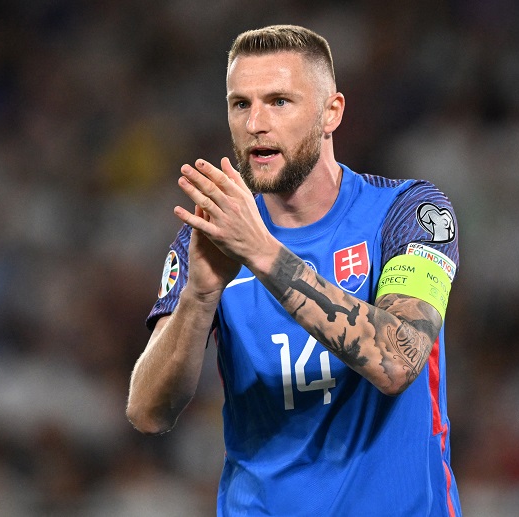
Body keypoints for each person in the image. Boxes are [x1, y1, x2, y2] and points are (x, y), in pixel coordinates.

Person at [127, 24, 462, 516]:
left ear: (332, 113)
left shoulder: (410, 213)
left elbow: (398, 362)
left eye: (279, 101)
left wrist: (264, 254)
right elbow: (148, 412)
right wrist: (199, 298)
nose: (256, 123)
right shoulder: (211, 235)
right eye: (241, 104)